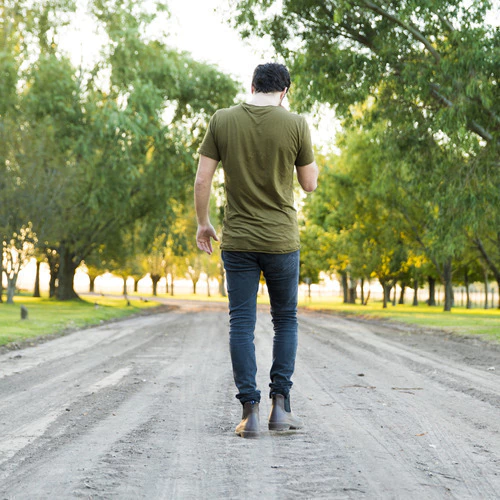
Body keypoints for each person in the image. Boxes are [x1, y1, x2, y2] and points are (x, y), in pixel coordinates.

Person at [194, 63, 318, 439]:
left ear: (252, 86)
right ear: (284, 92)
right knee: (285, 321)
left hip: (239, 241)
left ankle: (249, 413)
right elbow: (309, 184)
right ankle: (280, 408)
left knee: (241, 325)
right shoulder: (296, 124)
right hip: (282, 241)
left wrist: (203, 223)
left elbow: (202, 179)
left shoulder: (222, 120)